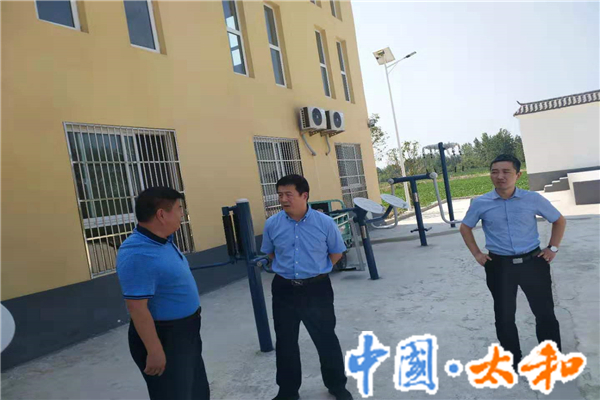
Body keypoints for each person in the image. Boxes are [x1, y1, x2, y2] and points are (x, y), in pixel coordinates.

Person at [459, 154, 567, 369]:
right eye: (494, 172)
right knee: (504, 315)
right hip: (499, 266)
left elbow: (559, 220)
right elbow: (465, 227)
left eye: (506, 172)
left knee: (544, 312)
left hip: (533, 262)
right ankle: (512, 359)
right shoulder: (481, 203)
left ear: (518, 175)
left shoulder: (532, 199)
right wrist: (478, 254)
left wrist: (552, 248)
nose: (500, 176)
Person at [261, 174, 353, 400]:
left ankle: (337, 386)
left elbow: (336, 253)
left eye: (288, 194)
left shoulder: (324, 223)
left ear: (304, 195)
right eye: (280, 195)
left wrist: (316, 271)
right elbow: (270, 253)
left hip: (316, 289)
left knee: (325, 338)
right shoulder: (272, 224)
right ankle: (288, 391)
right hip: (284, 290)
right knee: (286, 342)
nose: (283, 199)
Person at [116, 187, 210, 400]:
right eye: (178, 208)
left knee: (196, 391)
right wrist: (154, 350)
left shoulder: (162, 240)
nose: (182, 214)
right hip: (165, 337)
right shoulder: (138, 253)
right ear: (161, 214)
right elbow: (137, 308)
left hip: (186, 332)